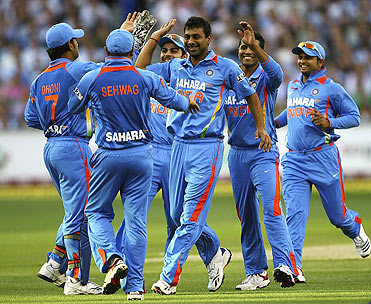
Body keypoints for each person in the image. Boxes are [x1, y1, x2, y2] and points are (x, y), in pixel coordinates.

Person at [135, 16, 270, 295]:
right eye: (188, 36)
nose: (191, 41)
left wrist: (260, 127)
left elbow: (252, 96)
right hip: (177, 146)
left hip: (207, 148)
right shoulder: (175, 66)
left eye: (196, 37)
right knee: (176, 216)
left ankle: (168, 278)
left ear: (209, 39)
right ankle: (216, 254)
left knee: (190, 218)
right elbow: (140, 69)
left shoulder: (226, 68)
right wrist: (155, 37)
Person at [68, 28, 199, 301]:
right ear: (131, 53)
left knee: (96, 212)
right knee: (137, 222)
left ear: (107, 53)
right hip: (142, 155)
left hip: (107, 155)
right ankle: (136, 287)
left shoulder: (93, 78)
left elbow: (73, 107)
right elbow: (174, 100)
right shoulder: (146, 77)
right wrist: (190, 104)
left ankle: (112, 259)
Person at [274, 40, 371, 283]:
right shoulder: (294, 85)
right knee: (294, 215)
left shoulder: (331, 88)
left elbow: (354, 117)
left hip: (323, 158)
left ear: (320, 62)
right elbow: (291, 113)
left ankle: (355, 227)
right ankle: (293, 267)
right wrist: (272, 123)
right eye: (300, 56)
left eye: (308, 57)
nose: (302, 61)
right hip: (294, 159)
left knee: (337, 217)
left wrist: (330, 123)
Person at [24, 22, 103, 295]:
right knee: (82, 213)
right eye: (76, 41)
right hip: (74, 146)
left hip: (51, 148)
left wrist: (54, 124)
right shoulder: (76, 68)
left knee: (76, 210)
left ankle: (55, 261)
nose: (78, 44)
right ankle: (76, 279)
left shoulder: (38, 79)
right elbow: (110, 71)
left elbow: (30, 118)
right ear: (70, 45)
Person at [224, 21, 297, 289]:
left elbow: (277, 72)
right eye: (243, 47)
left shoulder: (267, 79)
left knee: (272, 209)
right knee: (247, 216)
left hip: (263, 153)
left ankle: (286, 266)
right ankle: (256, 272)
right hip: (237, 154)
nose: (247, 51)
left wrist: (255, 42)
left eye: (252, 48)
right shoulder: (230, 77)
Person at [115, 33, 188, 254]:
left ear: (184, 56)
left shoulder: (188, 80)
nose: (167, 55)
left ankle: (170, 272)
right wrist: (153, 40)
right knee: (133, 215)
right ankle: (118, 265)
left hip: (178, 153)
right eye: (164, 51)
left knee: (177, 220)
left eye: (173, 51)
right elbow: (137, 67)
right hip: (152, 152)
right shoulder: (151, 78)